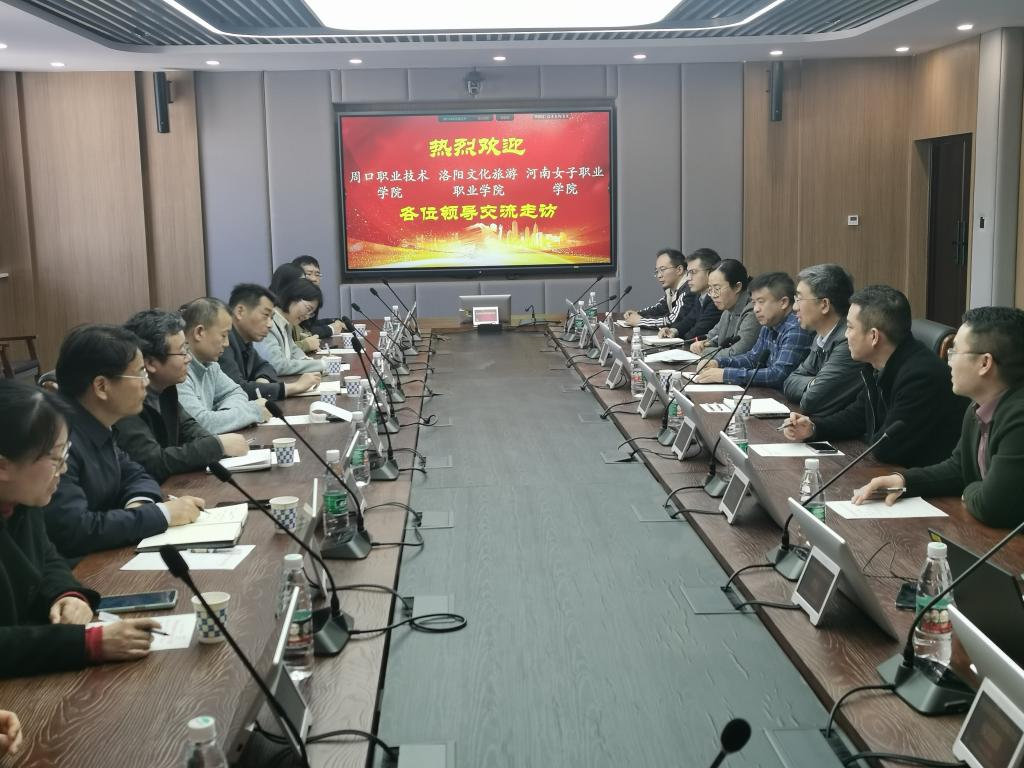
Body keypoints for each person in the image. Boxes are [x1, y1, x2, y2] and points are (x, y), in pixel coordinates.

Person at [0, 381, 160, 677]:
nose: (63, 469)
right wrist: (86, 643)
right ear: (3, 466)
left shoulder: (20, 500)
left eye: (66, 453)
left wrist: (66, 594)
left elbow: (48, 558)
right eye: (55, 457)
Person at [853, 307, 1024, 528]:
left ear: (985, 363)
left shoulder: (1019, 418)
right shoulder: (977, 408)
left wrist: (970, 489)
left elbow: (993, 507)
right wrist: (903, 480)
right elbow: (959, 468)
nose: (949, 362)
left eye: (955, 352)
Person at [43, 326, 204, 558]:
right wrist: (162, 515)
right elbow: (75, 530)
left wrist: (138, 508)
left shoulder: (97, 422)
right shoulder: (57, 439)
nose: (146, 383)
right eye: (140, 374)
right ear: (101, 386)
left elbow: (136, 474)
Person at [784, 285, 968, 468]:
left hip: (921, 479)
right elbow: (857, 416)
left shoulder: (921, 377)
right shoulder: (879, 364)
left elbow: (886, 448)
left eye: (850, 327)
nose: (846, 335)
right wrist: (813, 428)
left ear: (874, 336)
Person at [115, 310, 247, 482]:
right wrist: (217, 446)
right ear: (151, 363)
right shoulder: (126, 401)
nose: (189, 358)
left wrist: (215, 443)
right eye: (182, 352)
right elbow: (154, 461)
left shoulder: (166, 388)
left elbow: (191, 429)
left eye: (187, 349)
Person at [694, 272, 813, 390]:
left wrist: (725, 374)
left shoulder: (796, 328)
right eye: (754, 302)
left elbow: (778, 375)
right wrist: (717, 362)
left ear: (783, 302)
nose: (756, 309)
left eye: (761, 302)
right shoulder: (769, 325)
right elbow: (752, 359)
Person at [782, 264, 866, 418]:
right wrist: (816, 382)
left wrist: (817, 385)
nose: (794, 307)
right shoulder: (821, 337)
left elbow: (812, 400)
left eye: (799, 299)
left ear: (824, 305)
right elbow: (789, 382)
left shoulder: (848, 341)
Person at [178, 298, 270, 435]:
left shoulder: (211, 365)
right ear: (199, 332)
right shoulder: (178, 370)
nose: (227, 343)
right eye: (223, 335)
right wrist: (254, 411)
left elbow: (237, 392)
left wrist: (224, 417)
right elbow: (200, 424)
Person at [219, 283, 321, 401]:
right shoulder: (223, 342)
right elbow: (236, 390)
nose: (269, 324)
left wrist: (263, 379)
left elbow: (266, 366)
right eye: (265, 315)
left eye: (271, 317)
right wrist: (295, 387)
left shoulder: (245, 339)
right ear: (240, 312)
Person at [256, 278, 328, 376]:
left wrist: (308, 361)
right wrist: (321, 364)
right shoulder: (268, 324)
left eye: (311, 313)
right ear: (294, 297)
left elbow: (294, 351)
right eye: (308, 309)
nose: (307, 317)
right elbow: (277, 365)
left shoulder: (285, 323)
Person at [690, 259, 759, 359]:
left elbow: (737, 353)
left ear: (737, 287)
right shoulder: (728, 308)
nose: (713, 295)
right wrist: (702, 344)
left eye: (717, 289)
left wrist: (703, 351)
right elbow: (712, 337)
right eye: (710, 289)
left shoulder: (753, 311)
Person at [661, 248, 723, 341]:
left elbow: (699, 331)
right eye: (688, 273)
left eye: (693, 272)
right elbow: (689, 320)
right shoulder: (700, 295)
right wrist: (673, 331)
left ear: (710, 273)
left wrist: (677, 342)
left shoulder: (716, 298)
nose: (688, 278)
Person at [622, 248, 692, 329]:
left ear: (679, 270)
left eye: (662, 270)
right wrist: (638, 314)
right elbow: (659, 309)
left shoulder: (689, 288)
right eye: (657, 271)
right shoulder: (671, 290)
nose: (659, 276)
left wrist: (640, 321)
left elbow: (672, 320)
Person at [269, 264, 320, 353]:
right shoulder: (269, 316)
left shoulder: (287, 317)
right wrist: (306, 344)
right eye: (300, 284)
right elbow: (278, 356)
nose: (304, 287)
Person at [292, 255, 343, 338]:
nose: (314, 279)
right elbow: (301, 333)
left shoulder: (313, 298)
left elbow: (307, 324)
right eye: (309, 274)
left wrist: (333, 321)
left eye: (317, 274)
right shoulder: (292, 299)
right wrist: (331, 329)